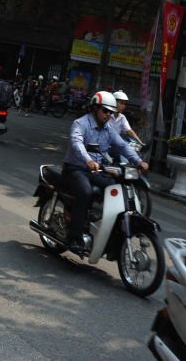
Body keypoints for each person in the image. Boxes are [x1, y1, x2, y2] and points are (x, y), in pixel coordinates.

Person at [61, 91, 148, 255]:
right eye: (105, 111)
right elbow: (76, 143)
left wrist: (138, 161)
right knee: (85, 192)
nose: (108, 115)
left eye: (111, 112)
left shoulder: (108, 128)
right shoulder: (80, 123)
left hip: (96, 169)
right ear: (95, 108)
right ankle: (74, 237)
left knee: (115, 187)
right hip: (75, 169)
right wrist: (88, 160)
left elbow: (122, 145)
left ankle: (103, 228)